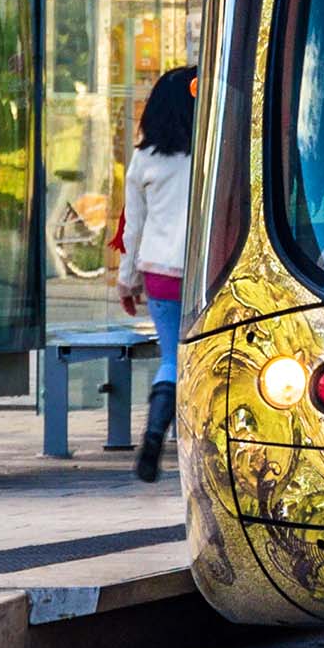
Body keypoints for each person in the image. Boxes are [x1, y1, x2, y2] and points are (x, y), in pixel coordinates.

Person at [118, 67, 195, 483]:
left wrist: (125, 279)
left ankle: (152, 437)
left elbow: (134, 224)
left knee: (171, 357)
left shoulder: (143, 158)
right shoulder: (209, 153)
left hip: (160, 272)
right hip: (205, 272)